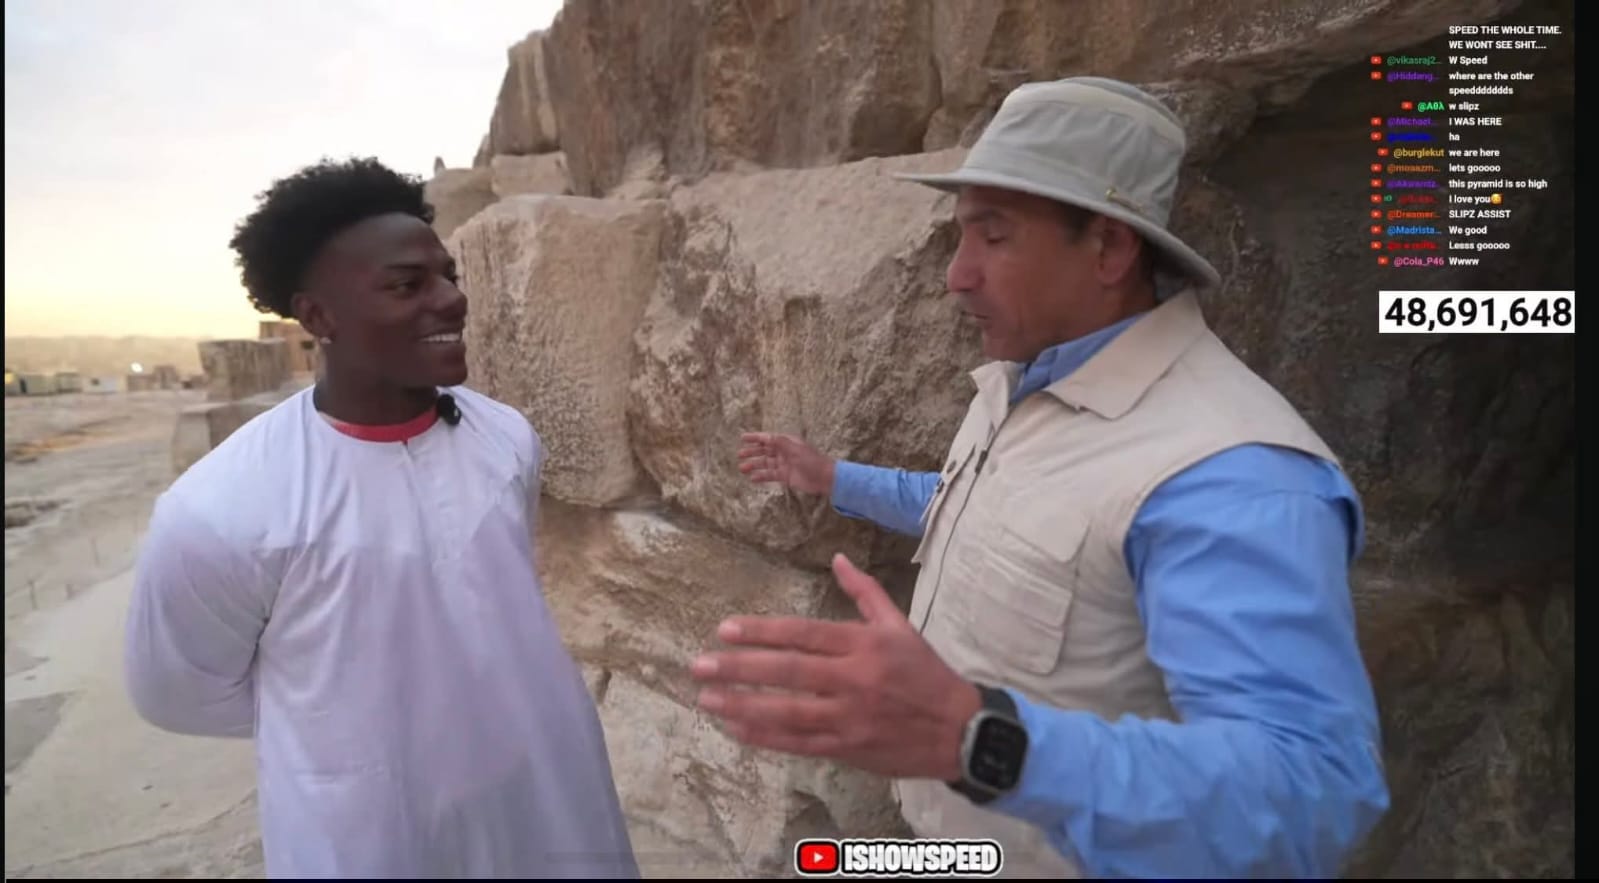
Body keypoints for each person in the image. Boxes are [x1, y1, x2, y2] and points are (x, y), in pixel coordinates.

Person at [692, 77, 1390, 878]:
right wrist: (832, 476)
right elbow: (976, 510)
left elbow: (1311, 795)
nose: (956, 275)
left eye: (993, 236)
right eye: (961, 236)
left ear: (1108, 248)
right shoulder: (1027, 377)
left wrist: (980, 740)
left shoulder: (1230, 474)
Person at [123, 157, 639, 879]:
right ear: (317, 317)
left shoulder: (507, 440)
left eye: (448, 276)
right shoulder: (221, 508)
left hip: (545, 784)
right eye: (406, 285)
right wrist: (344, 720)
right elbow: (177, 692)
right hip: (373, 826)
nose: (451, 300)